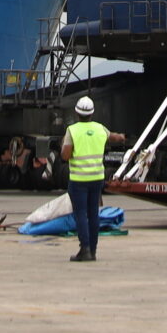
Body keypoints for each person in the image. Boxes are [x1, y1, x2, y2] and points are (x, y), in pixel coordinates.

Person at [59, 97, 127, 263]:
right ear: (92, 113)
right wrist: (122, 137)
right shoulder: (99, 128)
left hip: (79, 179)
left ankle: (85, 250)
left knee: (81, 214)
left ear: (76, 113)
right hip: (97, 178)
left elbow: (65, 155)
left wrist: (65, 146)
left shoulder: (72, 130)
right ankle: (93, 250)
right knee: (93, 214)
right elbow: (114, 137)